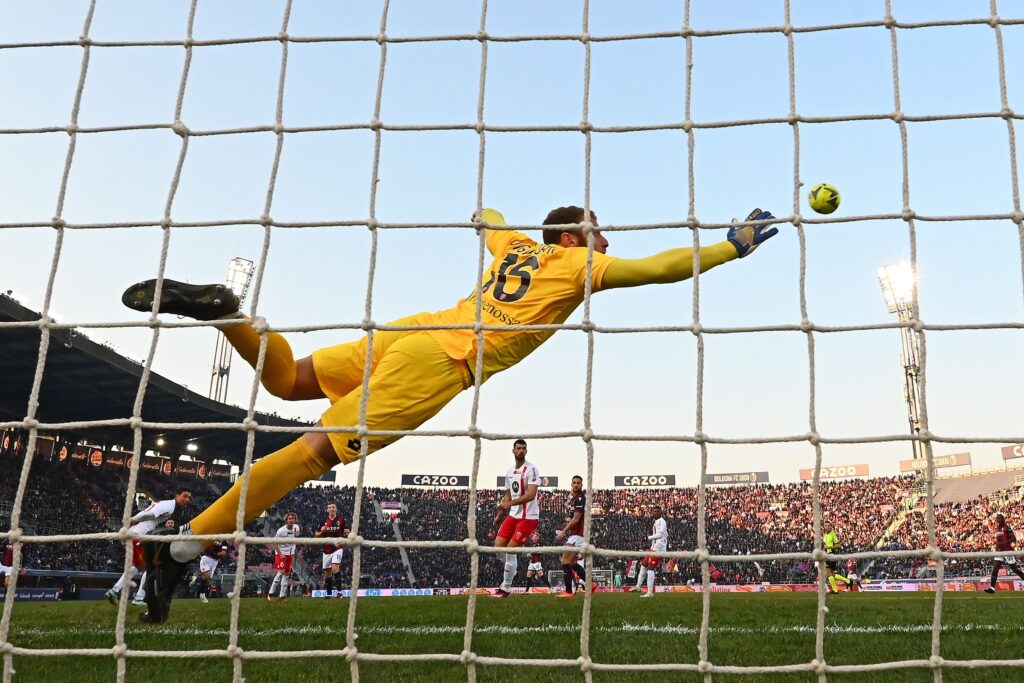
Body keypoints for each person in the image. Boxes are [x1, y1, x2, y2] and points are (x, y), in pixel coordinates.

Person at [122, 205, 778, 622]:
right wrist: (731, 247)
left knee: (289, 380)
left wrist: (484, 215)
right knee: (311, 454)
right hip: (441, 361)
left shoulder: (516, 247)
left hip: (413, 329)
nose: (606, 238)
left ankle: (230, 316)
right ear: (572, 235)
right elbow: (659, 268)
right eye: (598, 227)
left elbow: (492, 224)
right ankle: (183, 547)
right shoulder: (579, 262)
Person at [104, 489, 191, 609]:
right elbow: (149, 514)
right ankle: (139, 598)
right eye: (185, 496)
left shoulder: (167, 506)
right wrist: (133, 518)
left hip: (134, 534)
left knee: (137, 567)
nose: (187, 499)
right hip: (138, 535)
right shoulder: (169, 505)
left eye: (189, 498)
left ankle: (114, 591)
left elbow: (150, 516)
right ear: (177, 496)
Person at [489, 439, 541, 598]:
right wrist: (500, 515)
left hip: (528, 517)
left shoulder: (532, 469)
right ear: (513, 451)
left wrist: (509, 504)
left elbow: (531, 495)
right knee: (498, 548)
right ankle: (512, 567)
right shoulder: (510, 472)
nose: (521, 451)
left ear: (526, 451)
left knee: (510, 551)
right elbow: (508, 494)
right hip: (513, 515)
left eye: (524, 448)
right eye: (518, 448)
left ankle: (505, 588)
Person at [553, 475, 587, 597]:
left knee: (565, 561)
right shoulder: (575, 499)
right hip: (576, 534)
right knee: (572, 563)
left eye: (578, 483)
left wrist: (563, 531)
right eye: (574, 482)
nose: (576, 484)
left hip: (577, 534)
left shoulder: (580, 498)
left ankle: (568, 591)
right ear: (571, 484)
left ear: (581, 485)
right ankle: (591, 584)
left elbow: (576, 519)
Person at [630, 505, 667, 598]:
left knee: (650, 568)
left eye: (657, 511)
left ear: (661, 513)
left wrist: (648, 538)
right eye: (654, 511)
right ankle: (638, 586)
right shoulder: (656, 522)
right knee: (644, 564)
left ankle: (650, 592)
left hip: (659, 548)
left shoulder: (662, 521)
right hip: (654, 546)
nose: (655, 513)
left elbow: (660, 535)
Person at [984, 513, 1024, 593]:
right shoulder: (997, 528)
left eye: (1000, 519)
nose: (998, 520)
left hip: (1007, 550)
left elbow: (1014, 539)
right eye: (997, 519)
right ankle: (992, 588)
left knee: (1014, 569)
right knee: (995, 569)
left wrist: (1004, 542)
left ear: (1003, 519)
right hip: (999, 551)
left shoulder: (1007, 528)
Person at [315, 502, 347, 598]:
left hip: (338, 547)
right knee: (327, 572)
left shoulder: (341, 519)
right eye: (330, 507)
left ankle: (340, 593)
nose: (331, 509)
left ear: (336, 509)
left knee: (335, 568)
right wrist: (322, 532)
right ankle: (329, 594)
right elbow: (316, 535)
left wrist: (348, 532)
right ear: (327, 510)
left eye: (333, 507)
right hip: (326, 549)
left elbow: (347, 530)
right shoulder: (323, 521)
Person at [269, 511, 300, 602]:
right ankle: (270, 593)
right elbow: (274, 543)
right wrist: (280, 554)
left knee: (287, 573)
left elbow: (295, 538)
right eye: (289, 519)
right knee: (281, 572)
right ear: (286, 520)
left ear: (295, 520)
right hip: (280, 552)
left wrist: (292, 552)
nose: (291, 520)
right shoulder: (281, 531)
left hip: (290, 553)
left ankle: (282, 595)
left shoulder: (296, 528)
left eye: (293, 518)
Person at [822, 520, 852, 593]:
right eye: (826, 525)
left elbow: (839, 545)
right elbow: (825, 545)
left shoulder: (833, 534)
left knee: (828, 572)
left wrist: (829, 547)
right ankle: (848, 581)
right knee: (832, 574)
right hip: (827, 555)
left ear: (831, 527)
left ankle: (835, 590)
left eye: (828, 525)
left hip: (831, 554)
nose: (827, 527)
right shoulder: (825, 535)